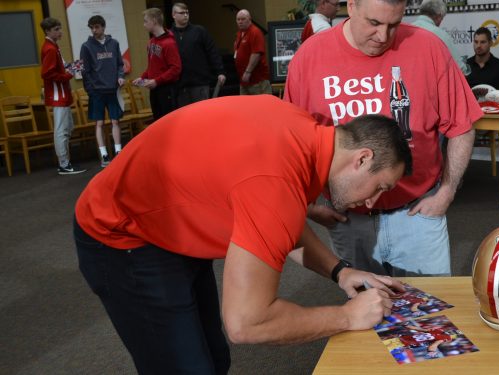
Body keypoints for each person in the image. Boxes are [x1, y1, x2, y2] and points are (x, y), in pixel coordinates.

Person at [74, 95, 411, 374]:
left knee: (213, 359)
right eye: (379, 187)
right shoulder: (275, 184)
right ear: (362, 159)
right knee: (187, 368)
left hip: (167, 220)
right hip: (120, 236)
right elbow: (246, 323)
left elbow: (281, 218)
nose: (371, 201)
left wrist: (340, 271)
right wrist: (346, 317)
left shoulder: (303, 131)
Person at [285, 0, 482, 277]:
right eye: (374, 23)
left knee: (432, 314)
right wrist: (308, 206)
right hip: (348, 219)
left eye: (394, 24)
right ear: (351, 6)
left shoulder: (428, 48)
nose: (383, 37)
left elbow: (462, 126)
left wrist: (447, 192)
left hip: (418, 214)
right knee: (365, 313)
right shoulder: (309, 58)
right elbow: (292, 145)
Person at [39, 17, 87, 175]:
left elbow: (57, 68)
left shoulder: (53, 47)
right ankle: (64, 164)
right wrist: (67, 76)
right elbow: (47, 73)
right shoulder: (50, 49)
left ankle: (65, 162)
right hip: (58, 94)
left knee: (66, 128)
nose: (60, 32)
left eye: (60, 28)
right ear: (47, 31)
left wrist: (70, 67)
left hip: (61, 93)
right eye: (56, 29)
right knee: (61, 130)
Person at [80, 15, 126, 167]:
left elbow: (120, 64)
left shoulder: (114, 43)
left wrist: (120, 76)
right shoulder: (86, 47)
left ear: (103, 27)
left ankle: (119, 151)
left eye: (97, 27)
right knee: (99, 123)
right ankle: (104, 155)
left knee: (115, 121)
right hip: (97, 91)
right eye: (92, 27)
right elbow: (85, 71)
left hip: (112, 89)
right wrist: (90, 89)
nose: (94, 30)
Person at [171, 2, 226, 107]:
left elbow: (212, 52)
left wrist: (220, 71)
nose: (186, 15)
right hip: (180, 85)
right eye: (182, 13)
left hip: (200, 82)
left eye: (187, 12)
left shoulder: (199, 31)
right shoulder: (170, 35)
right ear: (174, 15)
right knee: (184, 117)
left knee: (203, 114)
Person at [132, 8, 181, 121]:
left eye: (145, 21)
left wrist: (156, 81)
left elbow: (176, 69)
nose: (144, 25)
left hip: (166, 89)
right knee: (157, 120)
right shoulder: (151, 42)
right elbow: (152, 66)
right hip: (155, 89)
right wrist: (143, 77)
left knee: (168, 121)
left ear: (154, 21)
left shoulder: (169, 43)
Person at [410, 0, 469, 75]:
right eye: (442, 18)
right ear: (439, 16)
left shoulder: (405, 32)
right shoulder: (441, 35)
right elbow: (460, 68)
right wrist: (467, 70)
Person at [234, 9, 271, 95]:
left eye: (243, 19)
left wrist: (248, 72)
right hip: (244, 81)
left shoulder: (255, 32)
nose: (240, 22)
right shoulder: (240, 33)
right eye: (238, 19)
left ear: (249, 19)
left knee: (260, 106)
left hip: (257, 80)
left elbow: (256, 54)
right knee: (245, 107)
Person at [465, 26, 499, 93]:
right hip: (469, 103)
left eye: (483, 42)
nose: (478, 46)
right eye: (476, 42)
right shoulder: (464, 67)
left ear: (490, 43)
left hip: (495, 103)